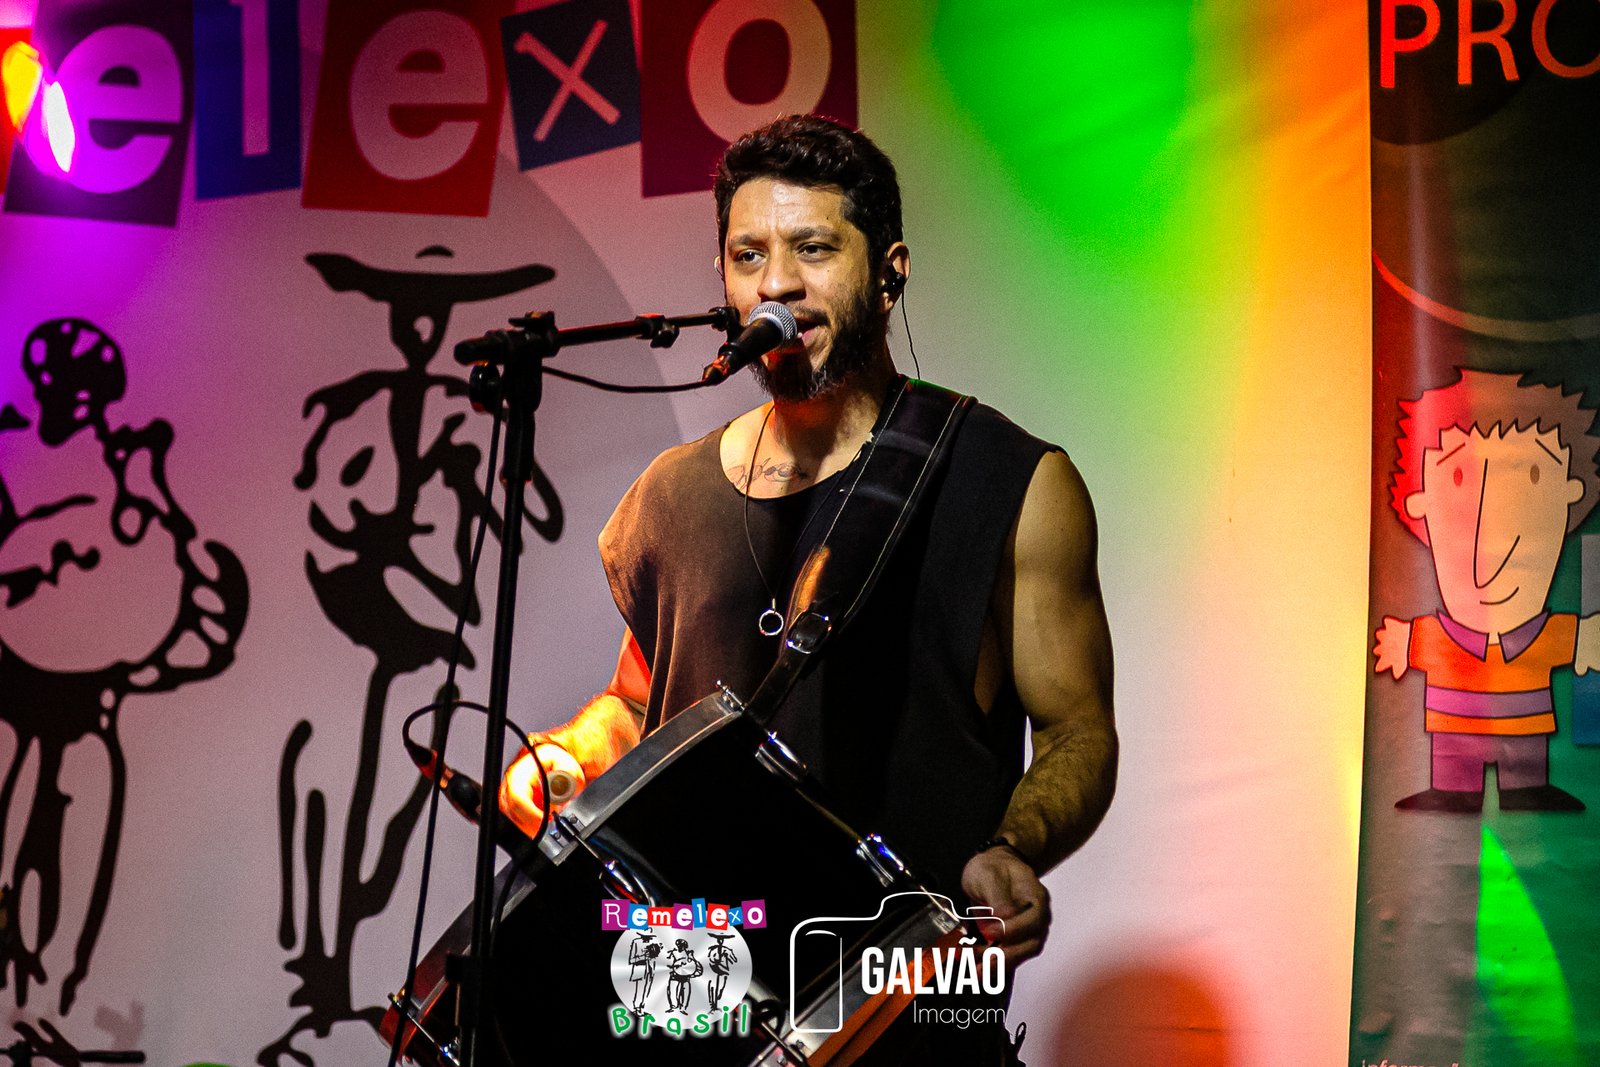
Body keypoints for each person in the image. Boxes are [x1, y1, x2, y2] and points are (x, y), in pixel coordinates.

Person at [500, 114, 1117, 1059]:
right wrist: (571, 755)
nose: (775, 283)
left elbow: (1078, 729)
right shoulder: (670, 495)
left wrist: (1012, 846)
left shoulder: (1010, 481)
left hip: (900, 1003)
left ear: (890, 272)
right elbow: (640, 703)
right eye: (748, 255)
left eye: (813, 249)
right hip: (704, 989)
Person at [1374, 368, 1600, 811]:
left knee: (1526, 771)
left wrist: (1585, 640)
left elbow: (1570, 640)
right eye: (1458, 477)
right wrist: (1402, 643)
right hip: (1453, 734)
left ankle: (1525, 787)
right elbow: (1416, 643)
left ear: (1568, 496)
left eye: (1532, 476)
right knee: (1454, 767)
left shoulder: (1543, 635)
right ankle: (1454, 788)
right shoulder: (1440, 638)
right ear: (1421, 506)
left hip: (1527, 734)